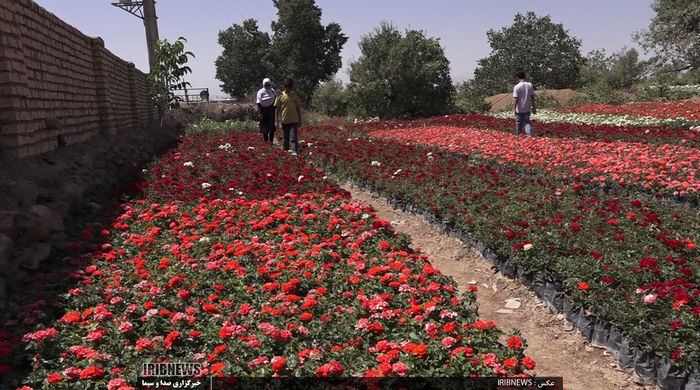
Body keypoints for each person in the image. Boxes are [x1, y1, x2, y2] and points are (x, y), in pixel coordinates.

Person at [274, 78, 302, 154]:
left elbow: (298, 109)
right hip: (284, 120)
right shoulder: (280, 97)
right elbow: (277, 110)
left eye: (290, 87)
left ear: (292, 88)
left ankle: (294, 153)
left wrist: (300, 120)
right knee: (285, 138)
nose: (288, 89)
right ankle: (285, 153)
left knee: (293, 138)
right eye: (286, 87)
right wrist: (276, 121)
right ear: (284, 87)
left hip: (294, 120)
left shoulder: (295, 96)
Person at [513, 70, 536, 136]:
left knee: (518, 122)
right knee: (527, 122)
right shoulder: (529, 85)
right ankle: (529, 134)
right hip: (527, 107)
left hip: (519, 108)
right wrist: (534, 107)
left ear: (517, 78)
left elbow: (516, 99)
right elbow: (532, 97)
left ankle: (519, 134)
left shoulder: (517, 87)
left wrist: (514, 109)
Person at [256, 78, 277, 143]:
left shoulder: (273, 91)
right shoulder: (260, 92)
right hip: (264, 110)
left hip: (271, 110)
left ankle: (271, 141)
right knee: (264, 127)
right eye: (266, 85)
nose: (267, 86)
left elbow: (276, 100)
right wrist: (260, 112)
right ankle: (266, 141)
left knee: (271, 127)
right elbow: (259, 102)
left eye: (268, 85)